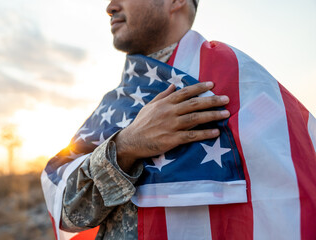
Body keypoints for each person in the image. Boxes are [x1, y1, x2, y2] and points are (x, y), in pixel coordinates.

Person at [41, 0, 316, 239]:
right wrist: (125, 146)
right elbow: (71, 215)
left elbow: (292, 195)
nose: (110, 6)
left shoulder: (244, 84)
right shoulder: (114, 106)